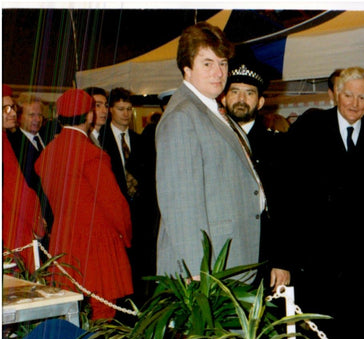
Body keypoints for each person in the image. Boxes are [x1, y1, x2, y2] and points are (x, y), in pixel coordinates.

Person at [285, 67, 364, 339]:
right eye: (349, 95)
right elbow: (290, 188)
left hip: (362, 258)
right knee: (322, 330)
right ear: (335, 94)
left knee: (358, 329)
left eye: (362, 97)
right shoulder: (311, 125)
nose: (356, 104)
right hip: (320, 256)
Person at [156, 22, 264, 279]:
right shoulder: (183, 116)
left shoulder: (210, 109)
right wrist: (197, 271)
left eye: (223, 63)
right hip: (208, 269)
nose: (218, 72)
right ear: (187, 68)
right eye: (207, 63)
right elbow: (180, 205)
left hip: (227, 258)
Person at [35, 89, 133, 321]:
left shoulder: (48, 154)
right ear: (89, 116)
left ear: (60, 118)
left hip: (63, 241)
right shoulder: (92, 155)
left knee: (70, 315)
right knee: (103, 315)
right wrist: (127, 236)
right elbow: (115, 206)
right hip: (97, 243)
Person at [222, 50, 291, 292]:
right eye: (235, 91)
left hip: (263, 259)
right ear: (223, 98)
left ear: (260, 102)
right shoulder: (211, 142)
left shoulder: (279, 147)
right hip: (222, 258)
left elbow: (287, 207)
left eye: (249, 93)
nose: (241, 99)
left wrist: (282, 261)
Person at [98, 87, 158, 306]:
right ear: (111, 110)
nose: (125, 114)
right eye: (121, 109)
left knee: (140, 271)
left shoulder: (140, 140)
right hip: (115, 217)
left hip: (140, 218)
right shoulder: (101, 141)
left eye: (128, 109)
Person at [3, 84, 45, 272]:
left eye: (12, 107)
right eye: (5, 109)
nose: (12, 114)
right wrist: (37, 221)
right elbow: (15, 190)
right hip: (12, 228)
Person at [7, 93, 53, 241]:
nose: (37, 119)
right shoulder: (12, 144)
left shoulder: (48, 139)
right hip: (34, 216)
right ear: (19, 117)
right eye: (32, 115)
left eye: (40, 115)